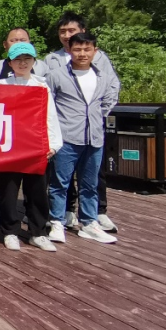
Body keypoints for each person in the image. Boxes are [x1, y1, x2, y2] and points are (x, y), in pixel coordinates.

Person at [46, 12, 121, 233]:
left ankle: (93, 217)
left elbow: (111, 91)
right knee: (60, 180)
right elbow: (48, 98)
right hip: (66, 133)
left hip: (93, 133)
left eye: (72, 30)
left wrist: (96, 114)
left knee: (92, 180)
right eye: (63, 31)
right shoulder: (54, 63)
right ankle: (59, 217)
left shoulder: (100, 67)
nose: (67, 35)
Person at [0, 42, 61, 252]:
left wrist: (53, 144)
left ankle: (38, 232)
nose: (22, 63)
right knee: (8, 190)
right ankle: (10, 231)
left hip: (35, 146)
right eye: (17, 59)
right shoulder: (2, 85)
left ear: (34, 61)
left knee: (37, 191)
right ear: (9, 63)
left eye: (27, 59)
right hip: (10, 147)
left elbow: (50, 116)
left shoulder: (41, 86)